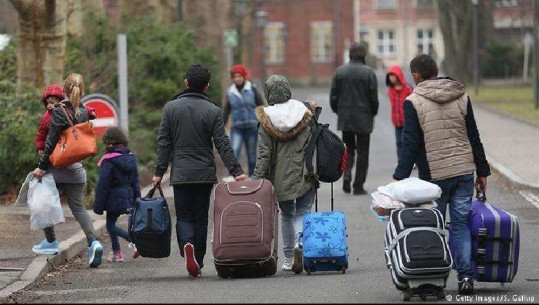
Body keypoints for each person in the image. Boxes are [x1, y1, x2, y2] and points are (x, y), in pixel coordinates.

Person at [392, 54, 490, 295]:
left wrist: (399, 177)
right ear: (436, 71)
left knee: (432, 228)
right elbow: (473, 135)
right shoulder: (460, 95)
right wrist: (482, 171)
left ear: (416, 76)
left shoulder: (413, 101)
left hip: (434, 176)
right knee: (460, 226)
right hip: (464, 170)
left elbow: (411, 143)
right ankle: (466, 278)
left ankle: (435, 278)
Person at [152, 64, 247, 277]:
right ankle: (200, 261)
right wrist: (236, 169)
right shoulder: (212, 110)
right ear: (207, 85)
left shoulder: (170, 108)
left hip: (181, 173)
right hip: (204, 173)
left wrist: (159, 172)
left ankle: (187, 245)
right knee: (201, 217)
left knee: (184, 215)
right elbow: (222, 142)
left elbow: (164, 142)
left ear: (186, 82)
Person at [32, 73, 104, 268]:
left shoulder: (58, 111)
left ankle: (50, 242)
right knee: (79, 209)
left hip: (56, 169)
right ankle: (94, 242)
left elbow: (51, 141)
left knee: (43, 204)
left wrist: (41, 167)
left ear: (63, 90)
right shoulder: (84, 111)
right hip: (77, 170)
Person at [252, 75, 319, 274]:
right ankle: (302, 247)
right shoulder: (305, 111)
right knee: (304, 211)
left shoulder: (267, 118)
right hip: (307, 171)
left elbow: (264, 153)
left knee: (287, 215)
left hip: (280, 177)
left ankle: (290, 257)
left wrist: (257, 180)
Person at [330, 42, 379, 195]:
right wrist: (372, 113)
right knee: (363, 152)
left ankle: (347, 174)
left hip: (346, 117)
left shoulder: (340, 72)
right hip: (364, 117)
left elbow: (333, 97)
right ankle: (358, 185)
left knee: (348, 149)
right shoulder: (369, 73)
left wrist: (339, 111)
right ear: (363, 55)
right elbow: (373, 98)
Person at [93, 127, 141, 263]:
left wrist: (98, 206)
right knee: (111, 223)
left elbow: (103, 185)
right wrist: (137, 199)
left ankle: (132, 239)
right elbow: (136, 181)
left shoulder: (108, 160)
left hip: (113, 197)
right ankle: (117, 253)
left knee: (110, 225)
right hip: (128, 195)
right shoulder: (131, 158)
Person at [223, 64, 265, 178]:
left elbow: (261, 106)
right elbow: (227, 110)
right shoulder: (230, 92)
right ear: (232, 78)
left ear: (244, 76)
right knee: (235, 151)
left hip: (252, 126)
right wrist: (222, 125)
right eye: (235, 76)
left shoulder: (252, 89)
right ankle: (232, 175)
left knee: (251, 154)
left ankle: (252, 175)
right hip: (237, 127)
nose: (237, 78)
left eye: (239, 76)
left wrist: (263, 122)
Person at [35, 85, 97, 156]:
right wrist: (40, 147)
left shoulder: (66, 110)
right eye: (47, 103)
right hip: (54, 148)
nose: (49, 105)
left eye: (52, 103)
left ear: (61, 102)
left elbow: (78, 107)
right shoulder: (46, 117)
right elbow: (41, 133)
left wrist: (90, 111)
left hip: (69, 144)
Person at [385, 65, 413, 161]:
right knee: (398, 142)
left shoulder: (408, 89)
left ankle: (410, 160)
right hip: (396, 121)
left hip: (406, 120)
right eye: (390, 76)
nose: (391, 78)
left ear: (398, 76)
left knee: (406, 142)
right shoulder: (390, 91)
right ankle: (400, 161)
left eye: (393, 76)